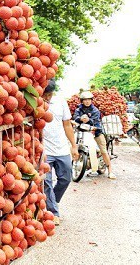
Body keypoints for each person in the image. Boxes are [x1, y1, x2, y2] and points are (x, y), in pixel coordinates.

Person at [41, 79, 79, 225]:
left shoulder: (60, 102)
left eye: (49, 95)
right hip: (45, 151)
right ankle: (53, 213)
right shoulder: (37, 104)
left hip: (61, 148)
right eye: (45, 95)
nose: (47, 98)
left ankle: (53, 201)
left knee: (66, 178)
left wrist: (73, 146)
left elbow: (67, 125)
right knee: (47, 182)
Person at [73, 91, 116, 179]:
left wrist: (88, 120)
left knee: (103, 150)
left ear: (91, 100)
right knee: (74, 146)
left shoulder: (95, 110)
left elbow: (95, 121)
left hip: (96, 132)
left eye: (89, 100)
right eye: (85, 100)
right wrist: (80, 118)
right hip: (83, 132)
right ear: (82, 101)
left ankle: (110, 171)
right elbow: (75, 117)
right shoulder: (79, 109)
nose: (87, 101)